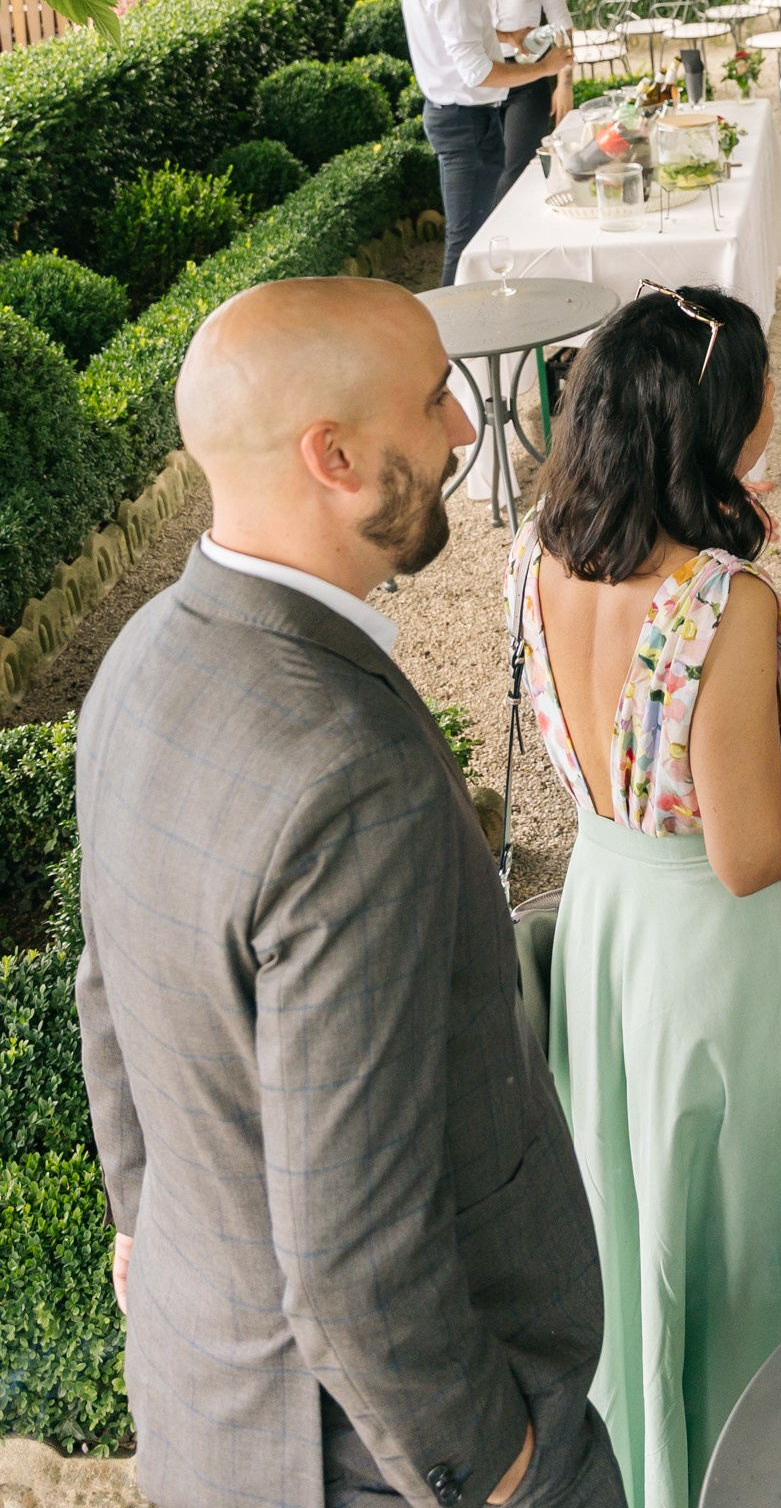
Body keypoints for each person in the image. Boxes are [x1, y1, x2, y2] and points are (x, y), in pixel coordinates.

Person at [74, 278, 620, 1508]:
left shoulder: (143, 654)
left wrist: (145, 1226)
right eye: (432, 404)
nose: (464, 429)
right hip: (380, 1455)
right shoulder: (349, 776)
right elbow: (351, 1250)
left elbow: (107, 990)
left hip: (212, 1399)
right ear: (333, 457)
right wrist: (495, 1465)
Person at [511, 287, 781, 1507]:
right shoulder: (719, 603)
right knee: (750, 1223)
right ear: (714, 416)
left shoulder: (534, 561)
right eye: (761, 380)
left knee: (636, 1212)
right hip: (711, 951)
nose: (777, 399)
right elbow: (749, 851)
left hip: (606, 919)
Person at [403, 0, 574, 281]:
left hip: (458, 117)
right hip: (466, 124)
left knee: (477, 240)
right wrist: (546, 70)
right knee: (468, 248)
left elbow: (449, 35)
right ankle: (452, 341)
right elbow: (477, 72)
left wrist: (506, 39)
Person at [491, 0, 576, 192]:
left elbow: (563, 30)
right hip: (483, 78)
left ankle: (506, 234)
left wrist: (564, 85)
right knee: (486, 171)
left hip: (527, 79)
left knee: (515, 172)